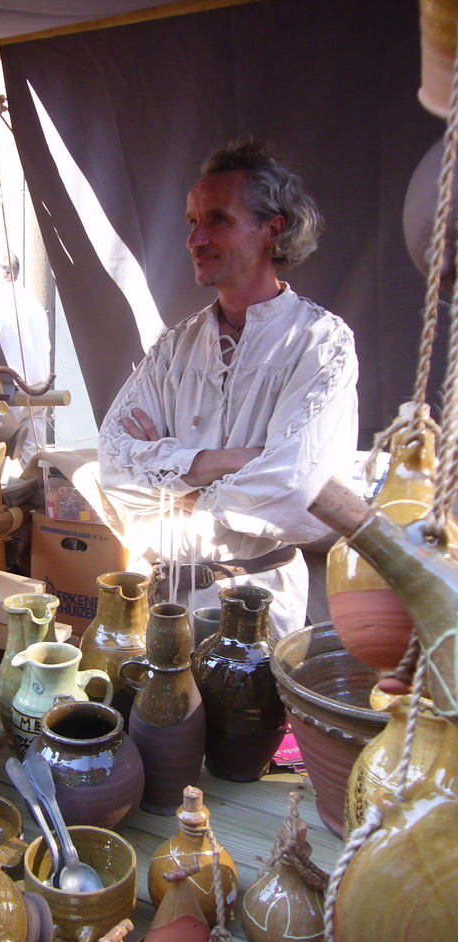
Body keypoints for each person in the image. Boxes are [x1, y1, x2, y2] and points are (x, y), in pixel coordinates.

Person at [98, 141, 359, 637]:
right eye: (191, 221)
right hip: (164, 602)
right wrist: (224, 461)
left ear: (272, 229)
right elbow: (113, 462)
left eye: (216, 219)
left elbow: (301, 491)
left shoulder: (320, 343)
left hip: (259, 608)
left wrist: (179, 488)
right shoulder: (176, 346)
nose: (195, 238)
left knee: (253, 715)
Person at [0, 247, 52, 463]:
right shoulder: (33, 303)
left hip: (9, 388)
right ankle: (38, 492)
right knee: (34, 457)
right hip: (38, 387)